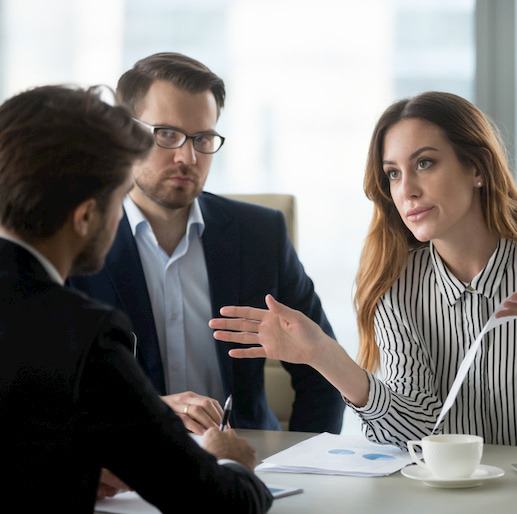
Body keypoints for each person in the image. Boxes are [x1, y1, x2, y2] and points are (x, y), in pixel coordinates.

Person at [210, 91, 517, 449]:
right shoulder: (395, 281)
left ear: (477, 169)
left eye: (425, 163)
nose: (407, 190)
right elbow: (416, 434)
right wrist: (322, 355)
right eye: (394, 173)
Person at [0, 85, 272, 512]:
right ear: (87, 216)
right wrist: (229, 462)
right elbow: (223, 505)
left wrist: (75, 469)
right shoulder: (81, 332)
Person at [68, 52, 344, 434]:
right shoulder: (75, 239)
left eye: (204, 138)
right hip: (126, 470)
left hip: (246, 466)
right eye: (166, 134)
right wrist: (148, 412)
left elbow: (323, 372)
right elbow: (45, 392)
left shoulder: (260, 235)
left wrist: (302, 465)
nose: (188, 156)